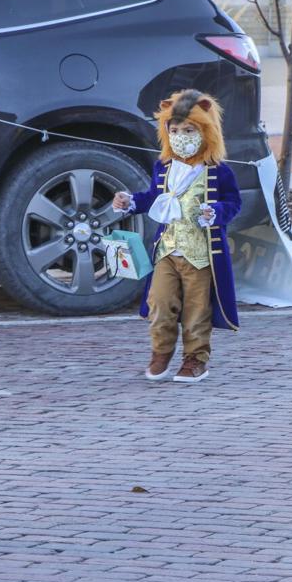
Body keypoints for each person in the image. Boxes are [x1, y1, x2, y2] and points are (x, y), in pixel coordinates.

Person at [113, 89, 243, 383]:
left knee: (197, 310)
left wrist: (217, 212)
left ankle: (196, 359)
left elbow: (234, 203)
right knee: (159, 302)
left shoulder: (218, 172)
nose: (181, 135)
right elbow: (153, 198)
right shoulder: (163, 167)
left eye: (189, 130)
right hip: (167, 250)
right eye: (175, 130)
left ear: (206, 131)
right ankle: (161, 352)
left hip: (200, 253)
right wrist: (129, 201)